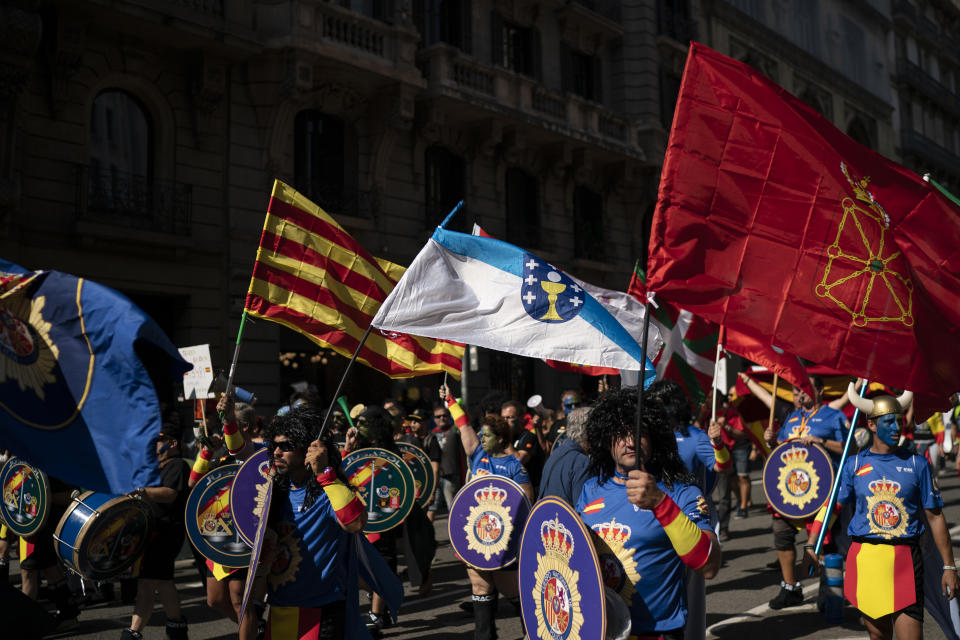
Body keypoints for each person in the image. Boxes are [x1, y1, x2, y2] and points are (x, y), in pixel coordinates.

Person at [805, 384, 958, 640]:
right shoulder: (853, 464)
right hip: (866, 560)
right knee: (879, 637)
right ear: (872, 425)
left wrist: (949, 567)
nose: (896, 427)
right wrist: (811, 545)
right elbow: (832, 507)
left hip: (905, 560)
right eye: (889, 421)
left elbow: (935, 517)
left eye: (899, 421)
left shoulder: (917, 464)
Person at [576, 387, 721, 638]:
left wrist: (659, 503)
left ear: (654, 438)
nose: (630, 441)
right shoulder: (591, 489)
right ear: (606, 440)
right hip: (599, 630)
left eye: (639, 433)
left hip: (657, 633)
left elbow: (709, 565)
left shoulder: (681, 492)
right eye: (620, 433)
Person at [259, 406, 367, 639]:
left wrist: (325, 474)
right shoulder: (274, 491)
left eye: (286, 446)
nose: (277, 452)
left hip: (322, 611)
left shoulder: (328, 490)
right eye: (274, 446)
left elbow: (356, 524)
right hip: (280, 608)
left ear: (308, 449)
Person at [442, 384, 534, 640]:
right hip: (477, 537)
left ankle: (533, 633)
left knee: (513, 593)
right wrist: (450, 400)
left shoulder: (515, 466)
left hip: (506, 542)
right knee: (479, 587)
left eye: (487, 436)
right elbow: (462, 425)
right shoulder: (477, 453)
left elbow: (526, 503)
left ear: (501, 438)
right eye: (481, 435)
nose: (482, 439)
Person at [762, 374, 849, 610]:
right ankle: (790, 588)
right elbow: (781, 449)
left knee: (827, 544)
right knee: (781, 532)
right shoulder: (792, 418)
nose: (800, 395)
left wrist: (821, 441)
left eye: (805, 390)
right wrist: (771, 441)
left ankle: (831, 591)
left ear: (820, 391)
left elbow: (848, 447)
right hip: (791, 491)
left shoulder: (834, 416)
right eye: (798, 391)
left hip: (824, 491)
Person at [121, 424, 190, 640]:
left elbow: (169, 494)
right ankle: (177, 628)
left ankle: (133, 633)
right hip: (153, 530)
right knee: (163, 581)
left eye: (159, 440)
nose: (154, 444)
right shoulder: (154, 467)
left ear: (173, 443)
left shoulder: (177, 465)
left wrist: (141, 490)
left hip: (167, 531)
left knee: (148, 583)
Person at [539, 407, 592, 506]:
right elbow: (582, 508)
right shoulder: (581, 461)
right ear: (587, 431)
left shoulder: (556, 453)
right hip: (566, 519)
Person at [431, 401, 465, 522]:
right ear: (434, 419)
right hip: (434, 477)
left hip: (451, 475)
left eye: (445, 415)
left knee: (453, 508)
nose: (442, 418)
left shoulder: (455, 430)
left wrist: (456, 405)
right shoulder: (431, 434)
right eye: (438, 416)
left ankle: (457, 535)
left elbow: (463, 421)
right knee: (431, 508)